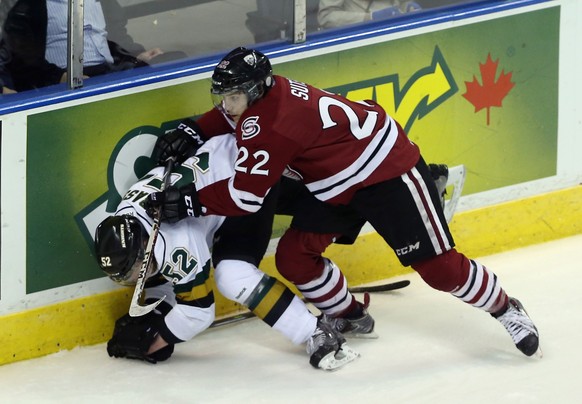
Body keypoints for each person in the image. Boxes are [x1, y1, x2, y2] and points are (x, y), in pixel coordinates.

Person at [148, 47, 541, 358]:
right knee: (294, 259)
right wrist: (195, 128)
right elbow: (231, 121)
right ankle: (349, 315)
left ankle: (507, 309)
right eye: (222, 96)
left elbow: (245, 198)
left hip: (386, 172)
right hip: (332, 178)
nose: (225, 105)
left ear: (254, 90)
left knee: (440, 270)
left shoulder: (272, 125)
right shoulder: (268, 94)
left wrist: (187, 203)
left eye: (232, 96)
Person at [94, 133, 359, 370]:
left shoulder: (175, 241)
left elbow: (199, 311)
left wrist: (156, 339)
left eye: (134, 270)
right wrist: (157, 314)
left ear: (143, 244)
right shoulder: (128, 224)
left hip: (243, 185)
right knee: (163, 271)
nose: (133, 278)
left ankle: (315, 333)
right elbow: (162, 274)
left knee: (233, 276)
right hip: (224, 163)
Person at [0, 0, 181, 92]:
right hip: (69, 77)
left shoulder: (102, 2)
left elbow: (115, 36)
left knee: (175, 60)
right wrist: (59, 78)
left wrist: (136, 54)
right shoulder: (27, 6)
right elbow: (22, 63)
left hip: (110, 70)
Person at [318, 0, 422, 29]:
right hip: (357, 38)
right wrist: (369, 18)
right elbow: (326, 16)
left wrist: (408, 7)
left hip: (395, 32)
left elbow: (403, 3)